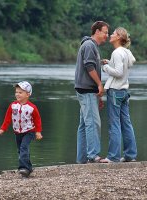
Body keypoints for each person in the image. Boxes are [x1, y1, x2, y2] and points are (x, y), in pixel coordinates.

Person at [100, 27, 137, 163]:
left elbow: (119, 72)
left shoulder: (116, 52)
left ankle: (113, 156)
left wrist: (105, 67)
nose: (111, 35)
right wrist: (109, 63)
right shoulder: (126, 52)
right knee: (126, 124)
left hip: (115, 91)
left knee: (114, 124)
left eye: (114, 33)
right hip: (124, 91)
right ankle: (130, 155)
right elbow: (124, 66)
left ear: (119, 37)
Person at [75, 21, 109, 164]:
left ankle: (82, 159)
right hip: (87, 90)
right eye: (105, 32)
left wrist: (100, 62)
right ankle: (93, 156)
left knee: (84, 124)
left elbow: (92, 63)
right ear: (97, 32)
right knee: (93, 123)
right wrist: (99, 85)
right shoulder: (89, 45)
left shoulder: (91, 46)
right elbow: (89, 66)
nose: (106, 36)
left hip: (87, 90)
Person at [0, 81, 43, 177]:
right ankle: (28, 168)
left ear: (27, 94)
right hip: (17, 132)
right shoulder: (13, 105)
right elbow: (7, 118)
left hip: (29, 131)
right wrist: (3, 128)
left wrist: (38, 132)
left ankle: (24, 168)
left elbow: (37, 120)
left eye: (20, 92)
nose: (17, 94)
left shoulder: (32, 108)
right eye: (16, 92)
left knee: (23, 148)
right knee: (21, 150)